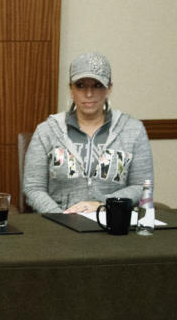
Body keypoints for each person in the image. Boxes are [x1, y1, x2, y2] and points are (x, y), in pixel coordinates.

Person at [23, 52, 153, 213]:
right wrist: (61, 217)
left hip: (113, 224)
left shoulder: (133, 130)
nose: (89, 93)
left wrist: (102, 205)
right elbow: (33, 188)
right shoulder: (47, 131)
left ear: (109, 89)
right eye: (81, 85)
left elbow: (142, 186)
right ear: (71, 89)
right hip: (58, 226)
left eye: (97, 86)